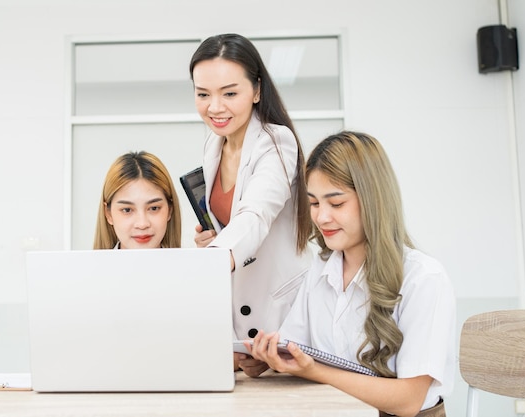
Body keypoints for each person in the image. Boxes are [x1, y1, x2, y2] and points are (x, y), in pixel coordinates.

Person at [240, 131, 456, 417]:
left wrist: (316, 371)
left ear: (373, 200)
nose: (322, 217)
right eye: (314, 204)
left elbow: (408, 401)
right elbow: (297, 348)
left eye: (336, 203)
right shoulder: (320, 269)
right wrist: (270, 359)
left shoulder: (424, 278)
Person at [189, 33, 313, 364]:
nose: (215, 107)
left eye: (230, 93)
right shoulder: (213, 145)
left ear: (257, 90)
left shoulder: (276, 141)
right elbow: (232, 222)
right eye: (203, 94)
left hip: (282, 315)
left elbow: (256, 214)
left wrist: (214, 257)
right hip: (237, 318)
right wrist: (213, 238)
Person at [93, 151, 181, 250]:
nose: (142, 224)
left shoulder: (191, 264)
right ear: (108, 213)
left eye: (154, 208)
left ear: (169, 210)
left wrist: (200, 259)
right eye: (127, 210)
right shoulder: (83, 265)